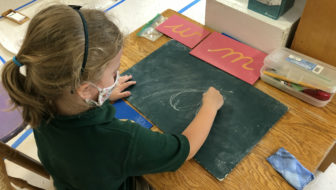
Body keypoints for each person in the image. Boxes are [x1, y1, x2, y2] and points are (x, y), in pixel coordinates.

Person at [1, 4, 224, 190]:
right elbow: (185, 148)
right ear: (85, 90)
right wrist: (210, 106)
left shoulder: (37, 95)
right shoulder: (120, 139)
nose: (117, 77)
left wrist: (102, 95)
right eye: (114, 71)